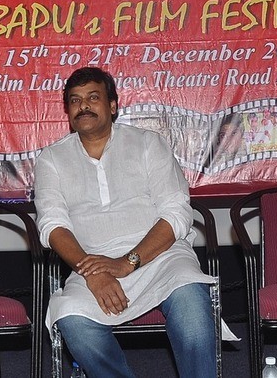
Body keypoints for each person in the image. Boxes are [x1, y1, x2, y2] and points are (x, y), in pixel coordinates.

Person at [34, 67, 217, 378]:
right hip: (91, 262)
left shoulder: (148, 144)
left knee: (190, 299)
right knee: (73, 319)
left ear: (113, 106)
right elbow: (52, 225)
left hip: (162, 257)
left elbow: (176, 212)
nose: (84, 106)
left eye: (93, 97)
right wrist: (93, 272)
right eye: (75, 101)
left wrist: (127, 263)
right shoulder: (51, 159)